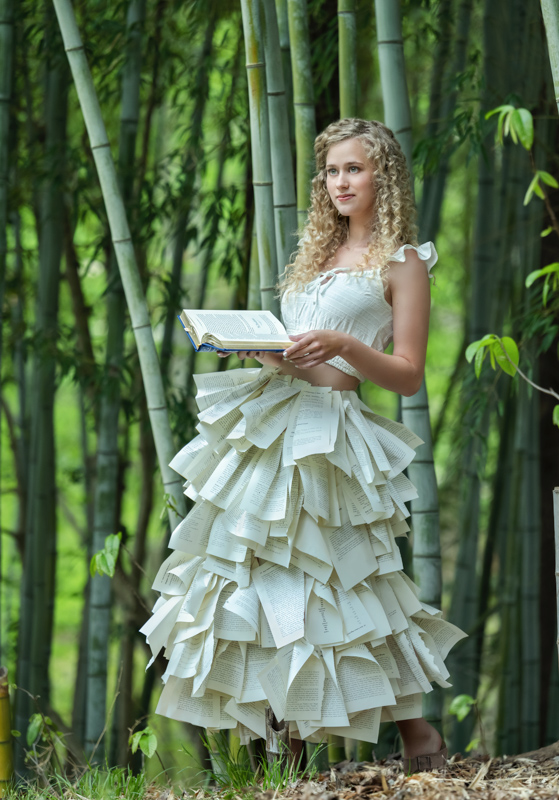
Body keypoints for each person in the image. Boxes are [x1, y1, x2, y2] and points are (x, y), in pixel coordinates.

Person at [142, 118, 465, 773]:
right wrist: (260, 349)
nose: (340, 182)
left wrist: (347, 346)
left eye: (354, 168)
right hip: (272, 422)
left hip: (330, 431)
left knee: (343, 577)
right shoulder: (315, 256)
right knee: (259, 576)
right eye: (332, 170)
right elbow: (303, 359)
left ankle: (414, 731)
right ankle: (288, 746)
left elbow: (405, 373)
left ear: (384, 176)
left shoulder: (403, 262)